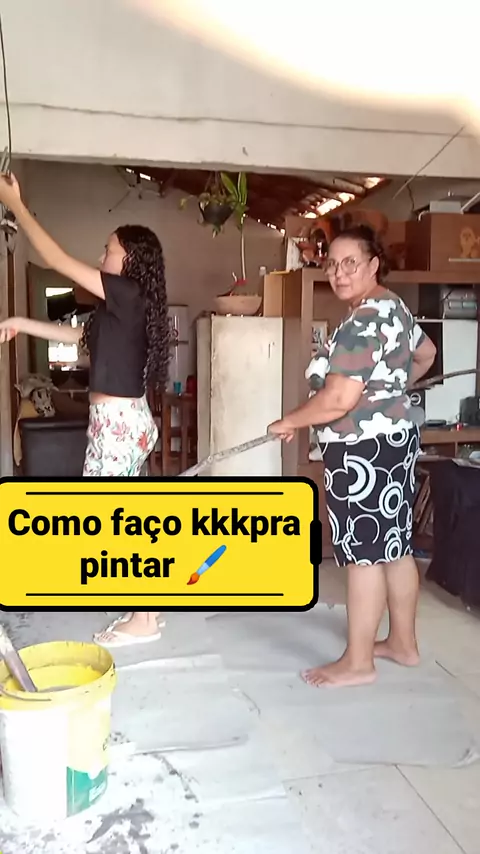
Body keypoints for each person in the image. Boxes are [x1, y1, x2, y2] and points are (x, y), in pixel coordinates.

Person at [0, 173, 170, 648]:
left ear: (130, 259)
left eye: (108, 250)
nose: (101, 258)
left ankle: (145, 618)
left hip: (118, 426)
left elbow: (55, 259)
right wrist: (20, 323)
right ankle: (147, 609)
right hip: (124, 423)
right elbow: (76, 337)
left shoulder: (128, 293)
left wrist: (15, 203)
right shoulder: (121, 309)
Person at [268, 225, 436, 688]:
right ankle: (402, 644)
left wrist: (291, 421)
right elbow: (426, 353)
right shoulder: (394, 307)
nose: (339, 273)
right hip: (396, 441)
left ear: (373, 264)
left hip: (363, 451)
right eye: (332, 264)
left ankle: (358, 662)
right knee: (394, 546)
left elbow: (339, 399)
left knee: (364, 554)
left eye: (351, 263)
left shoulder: (362, 321)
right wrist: (389, 394)